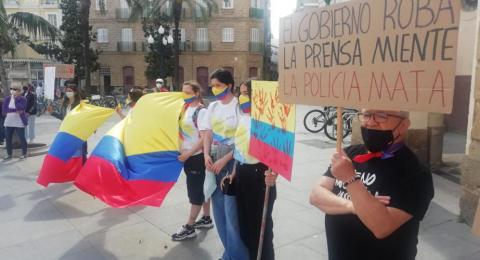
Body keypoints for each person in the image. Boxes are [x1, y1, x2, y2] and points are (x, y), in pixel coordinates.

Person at [309, 109, 434, 260]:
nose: (371, 121)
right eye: (367, 114)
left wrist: (350, 179)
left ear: (403, 125)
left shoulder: (415, 171)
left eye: (381, 115)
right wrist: (354, 206)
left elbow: (381, 226)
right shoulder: (351, 154)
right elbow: (316, 195)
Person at [223, 79, 278, 260]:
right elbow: (239, 150)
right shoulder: (244, 117)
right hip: (242, 174)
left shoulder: (269, 118)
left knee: (260, 229)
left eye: (246, 93)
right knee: (244, 225)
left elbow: (278, 152)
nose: (241, 96)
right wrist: (233, 173)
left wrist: (274, 174)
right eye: (241, 92)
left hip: (260, 177)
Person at [202, 69, 248, 260]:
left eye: (218, 85)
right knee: (219, 212)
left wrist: (225, 159)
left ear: (229, 85)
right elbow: (207, 134)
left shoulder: (239, 106)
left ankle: (238, 256)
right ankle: (228, 253)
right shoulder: (212, 107)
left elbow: (243, 138)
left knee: (232, 214)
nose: (214, 89)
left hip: (232, 162)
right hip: (213, 161)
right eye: (212, 85)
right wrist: (206, 155)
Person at [171, 80, 214, 241]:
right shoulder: (185, 108)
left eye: (188, 92)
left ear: (196, 93)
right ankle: (206, 218)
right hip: (187, 156)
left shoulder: (201, 111)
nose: (184, 95)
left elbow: (204, 138)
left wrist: (187, 154)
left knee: (195, 192)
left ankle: (189, 227)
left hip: (196, 158)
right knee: (202, 188)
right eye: (183, 91)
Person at [49, 83, 88, 164]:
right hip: (67, 131)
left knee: (81, 154)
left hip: (78, 132)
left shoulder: (80, 104)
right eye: (66, 91)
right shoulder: (65, 104)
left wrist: (92, 127)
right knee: (70, 153)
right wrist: (52, 112)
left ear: (75, 92)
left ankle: (82, 170)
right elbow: (63, 117)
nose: (68, 92)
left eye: (70, 91)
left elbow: (85, 117)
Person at [2, 83, 28, 161]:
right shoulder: (7, 98)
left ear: (19, 91)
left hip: (19, 121)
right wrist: (15, 110)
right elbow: (5, 110)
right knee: (8, 138)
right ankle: (9, 154)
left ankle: (24, 153)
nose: (12, 91)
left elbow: (21, 107)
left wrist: (16, 99)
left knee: (22, 138)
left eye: (15, 89)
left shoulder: (23, 99)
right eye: (11, 89)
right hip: (9, 121)